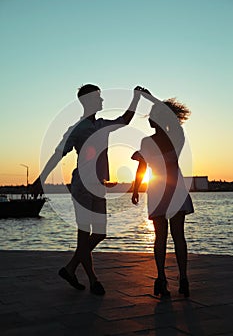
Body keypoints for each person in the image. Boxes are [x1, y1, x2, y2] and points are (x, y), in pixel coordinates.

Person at [31, 84, 145, 295]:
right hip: (82, 186)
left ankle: (71, 268)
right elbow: (58, 154)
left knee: (99, 233)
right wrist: (41, 179)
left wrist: (136, 98)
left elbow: (124, 120)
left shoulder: (102, 125)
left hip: (99, 185)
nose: (102, 101)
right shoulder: (76, 129)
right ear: (88, 100)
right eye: (98, 98)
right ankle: (92, 280)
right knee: (84, 235)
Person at [131, 90, 194, 298]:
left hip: (159, 193)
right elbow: (142, 167)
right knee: (178, 237)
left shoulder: (147, 142)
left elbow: (142, 168)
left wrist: (136, 188)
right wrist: (150, 97)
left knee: (161, 238)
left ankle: (162, 279)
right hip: (175, 190)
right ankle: (182, 279)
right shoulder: (176, 137)